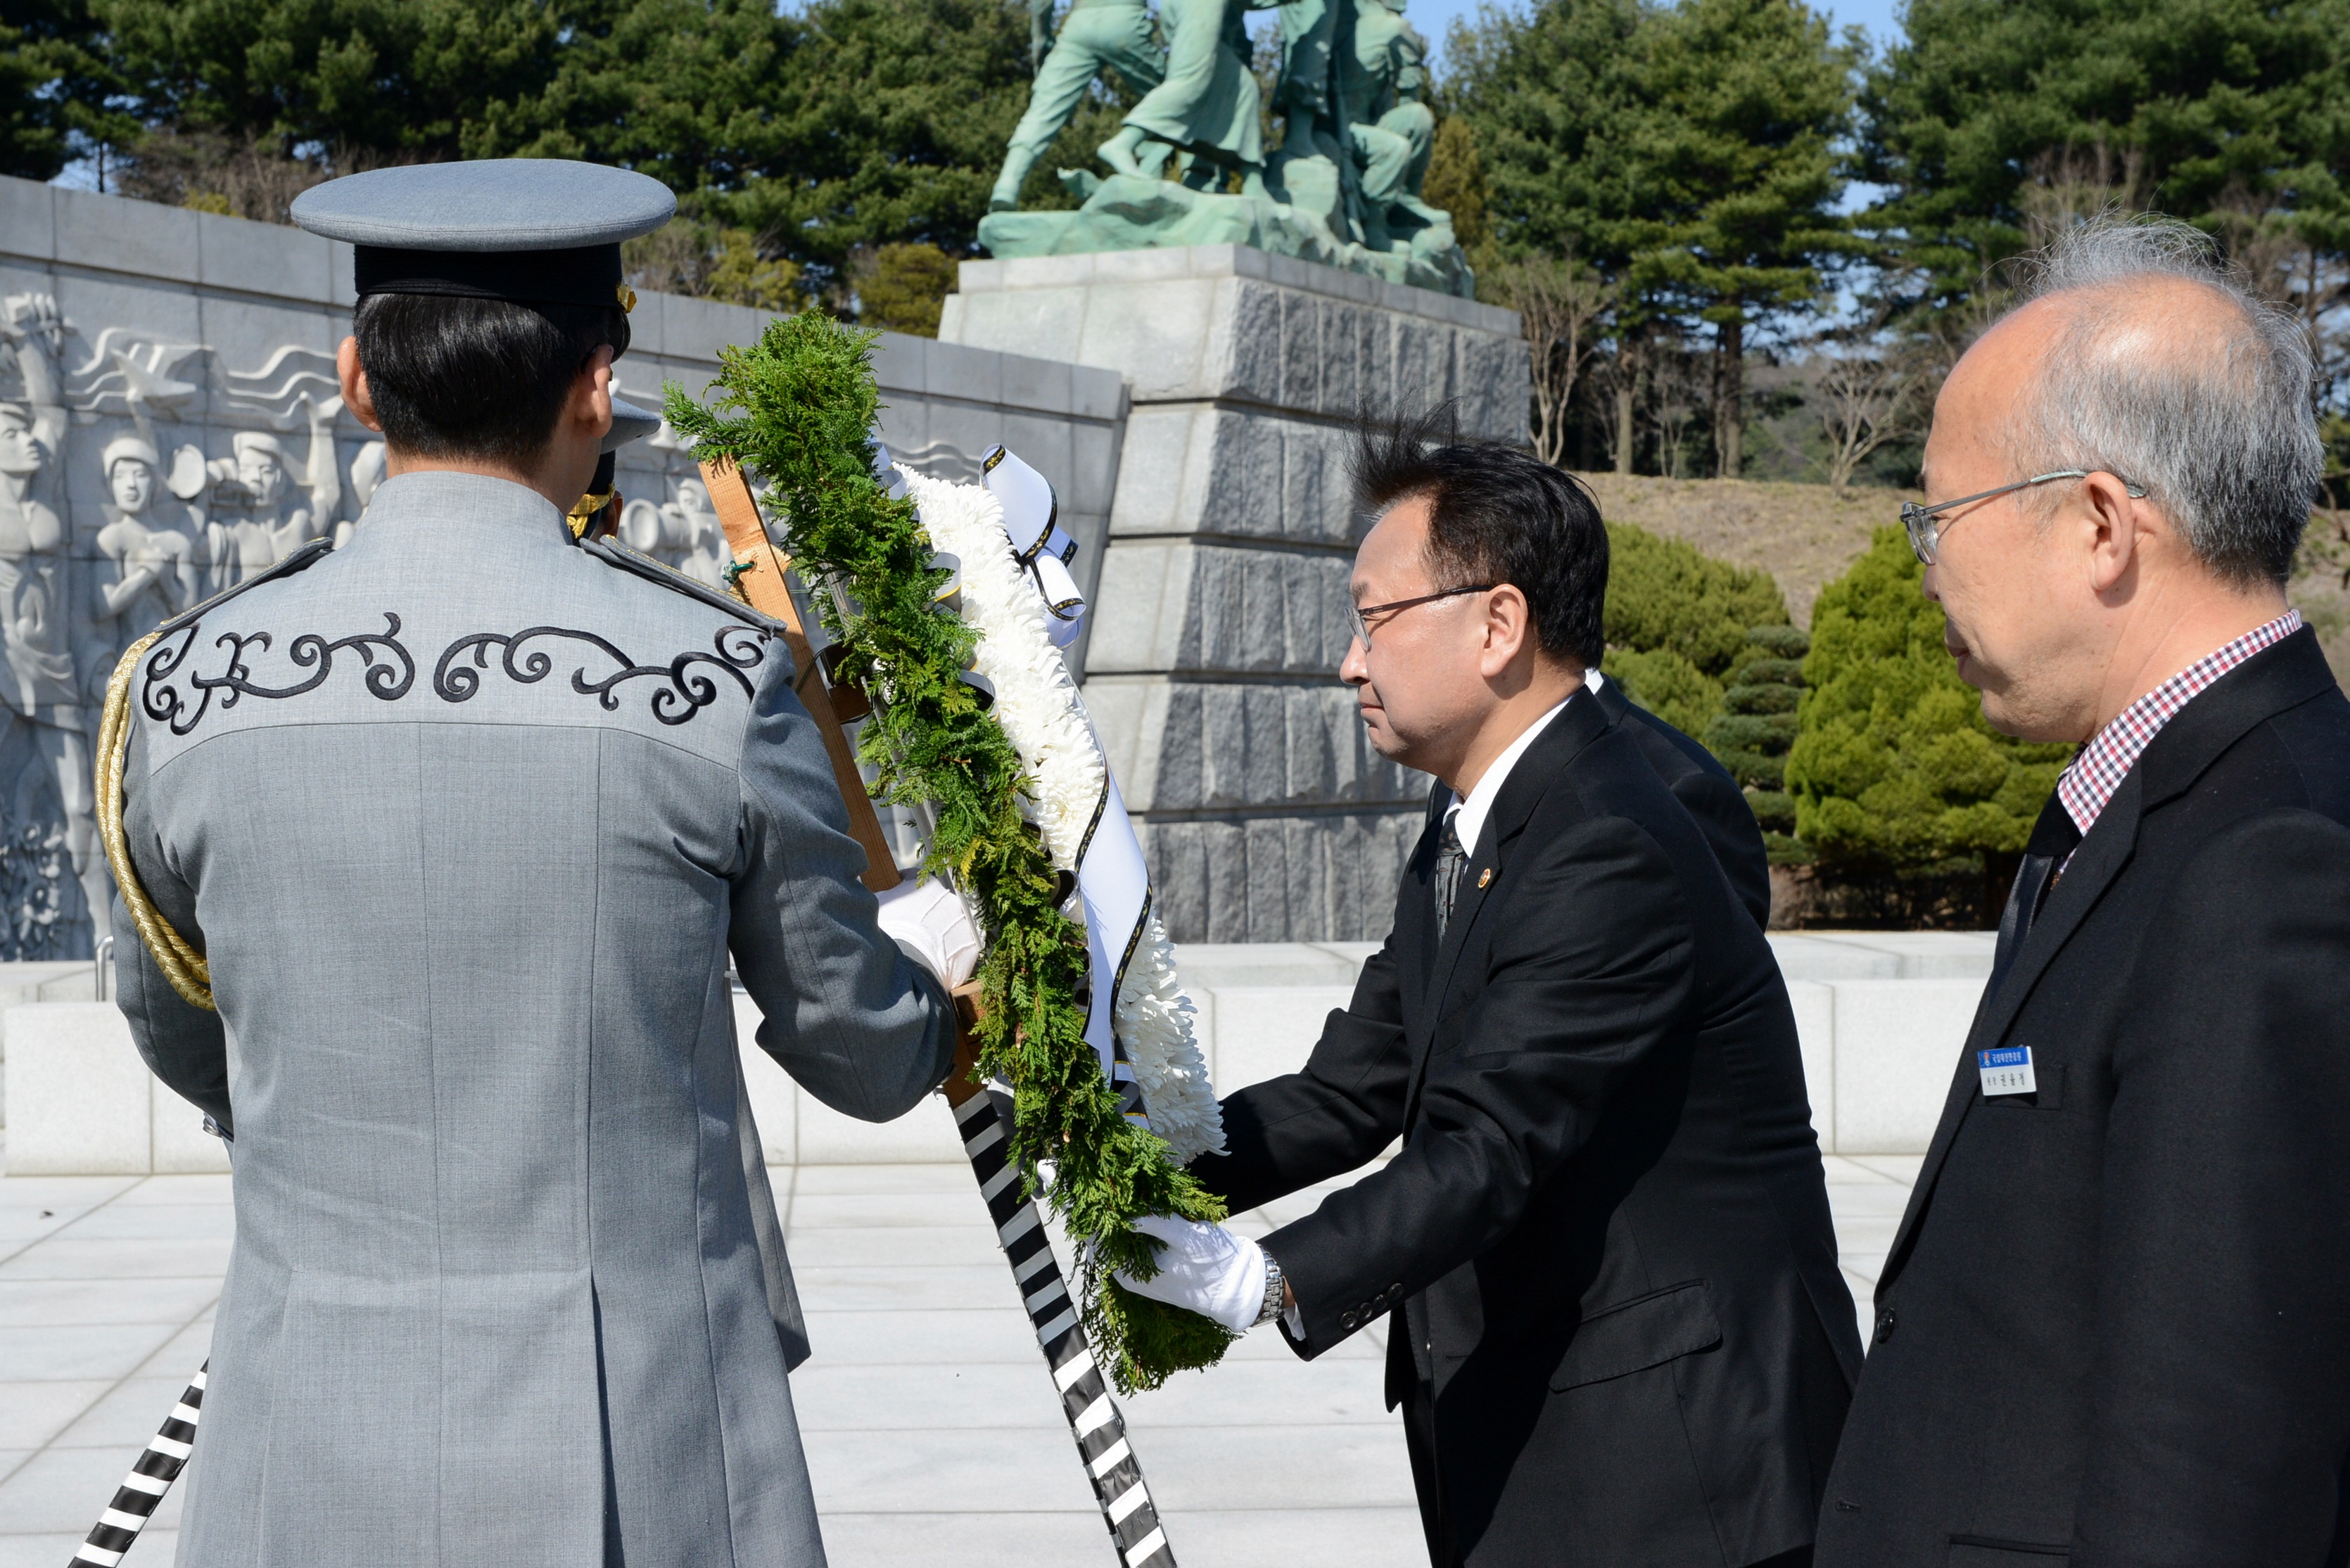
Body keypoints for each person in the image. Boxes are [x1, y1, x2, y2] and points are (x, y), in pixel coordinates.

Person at [103, 158, 978, 1567]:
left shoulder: (185, 684)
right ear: (595, 385)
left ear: (352, 380)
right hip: (647, 1429)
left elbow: (176, 1020)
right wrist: (942, 987)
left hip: (306, 1423)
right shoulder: (711, 670)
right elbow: (858, 1045)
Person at [1115, 414, 1859, 1567]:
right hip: (1542, 1424)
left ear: (1498, 624)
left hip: (1676, 1460)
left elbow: (1488, 1139)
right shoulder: (1484, 816)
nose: (1349, 660)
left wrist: (1268, 1274)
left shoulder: (1612, 832)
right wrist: (1124, 1149)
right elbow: (1356, 1085)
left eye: (1374, 618)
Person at [1813, 221, 2350, 1564]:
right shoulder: (2180, 800)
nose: (1920, 560)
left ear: (2104, 522)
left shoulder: (2264, 856)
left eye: (1938, 517)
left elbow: (2215, 1456)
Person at [990, 0, 1167, 210]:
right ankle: (1159, 180)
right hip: (1126, 21)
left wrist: (1041, 38)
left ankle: (1007, 185)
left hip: (1078, 27)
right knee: (1171, 99)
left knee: (1042, 112)